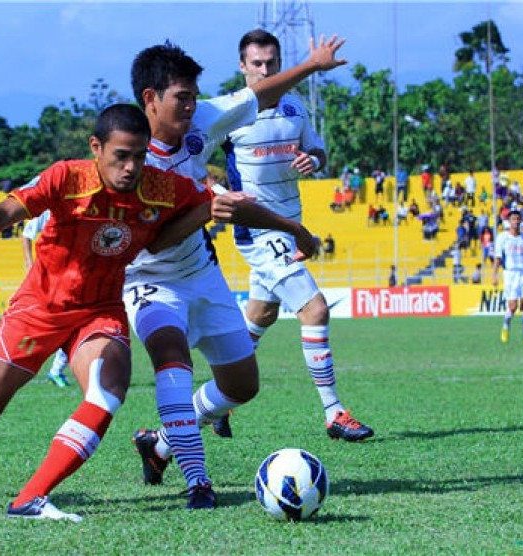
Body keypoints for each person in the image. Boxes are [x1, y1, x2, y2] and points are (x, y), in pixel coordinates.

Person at [0, 104, 246, 522]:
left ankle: (30, 498)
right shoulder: (66, 178)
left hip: (100, 312)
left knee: (107, 390)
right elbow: (6, 211)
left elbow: (208, 204)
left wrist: (284, 225)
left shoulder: (163, 186)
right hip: (40, 309)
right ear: (96, 147)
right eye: (121, 155)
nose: (131, 167)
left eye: (140, 155)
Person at [126, 36, 337, 508]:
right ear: (150, 100)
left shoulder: (200, 118)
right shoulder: (132, 154)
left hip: (200, 270)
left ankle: (158, 444)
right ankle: (199, 481)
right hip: (149, 279)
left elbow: (260, 95)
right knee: (172, 364)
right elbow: (156, 239)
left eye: (194, 96)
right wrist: (207, 207)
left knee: (242, 386)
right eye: (182, 98)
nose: (192, 106)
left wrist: (312, 65)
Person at [216, 28, 372, 443]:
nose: (265, 70)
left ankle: (221, 401)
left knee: (262, 315)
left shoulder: (295, 106)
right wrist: (216, 193)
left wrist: (313, 159)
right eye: (257, 64)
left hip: (291, 223)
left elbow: (318, 150)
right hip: (259, 230)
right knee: (316, 310)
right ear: (242, 66)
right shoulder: (230, 112)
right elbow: (192, 160)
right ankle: (334, 412)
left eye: (271, 63)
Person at [21, 211, 71, 388]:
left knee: (72, 325)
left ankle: (56, 370)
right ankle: (24, 358)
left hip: (74, 277)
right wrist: (29, 265)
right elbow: (27, 234)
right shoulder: (50, 208)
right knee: (55, 324)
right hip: (52, 278)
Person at [492, 209, 523, 344]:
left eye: (518, 219)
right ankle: (506, 326)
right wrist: (494, 275)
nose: (516, 222)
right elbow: (497, 258)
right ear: (509, 221)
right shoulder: (502, 238)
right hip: (510, 274)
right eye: (513, 219)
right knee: (512, 307)